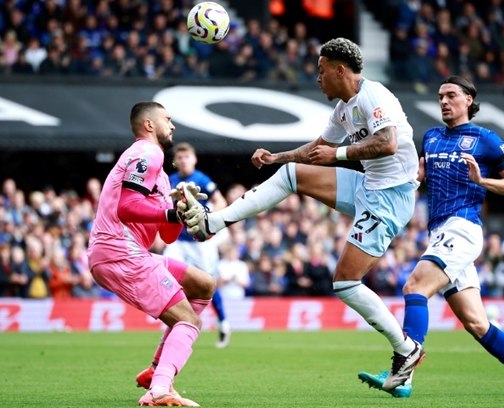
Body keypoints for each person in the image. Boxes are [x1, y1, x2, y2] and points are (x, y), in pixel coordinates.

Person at [181, 37, 424, 387]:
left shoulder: (374, 96)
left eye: (322, 71)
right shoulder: (344, 108)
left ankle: (406, 349)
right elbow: (318, 149)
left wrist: (338, 156)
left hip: (390, 197)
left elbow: (387, 143)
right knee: (293, 174)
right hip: (367, 186)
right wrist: (275, 158)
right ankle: (213, 222)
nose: (317, 78)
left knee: (344, 283)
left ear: (341, 70)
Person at [358, 76, 504, 398]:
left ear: (468, 100)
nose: (444, 102)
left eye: (451, 95)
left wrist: (483, 181)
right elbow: (424, 183)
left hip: (463, 228)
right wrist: (417, 180)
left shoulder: (485, 139)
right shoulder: (431, 138)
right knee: (477, 324)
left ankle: (401, 372)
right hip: (440, 233)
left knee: (415, 286)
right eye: (440, 97)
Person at [87, 101, 215, 406]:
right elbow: (127, 207)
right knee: (189, 321)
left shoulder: (160, 172)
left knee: (203, 285)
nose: (172, 126)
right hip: (121, 250)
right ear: (148, 125)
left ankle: (156, 371)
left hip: (123, 252)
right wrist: (170, 213)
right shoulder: (147, 152)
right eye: (168, 120)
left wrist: (179, 208)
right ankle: (160, 389)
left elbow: (167, 233)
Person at [164, 142, 233, 349]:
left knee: (209, 283)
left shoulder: (201, 179)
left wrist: (207, 219)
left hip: (199, 241)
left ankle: (223, 322)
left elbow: (220, 202)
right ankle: (171, 318)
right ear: (176, 161)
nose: (183, 161)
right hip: (179, 241)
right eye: (180, 158)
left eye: (187, 157)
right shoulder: (171, 180)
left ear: (194, 159)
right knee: (163, 273)